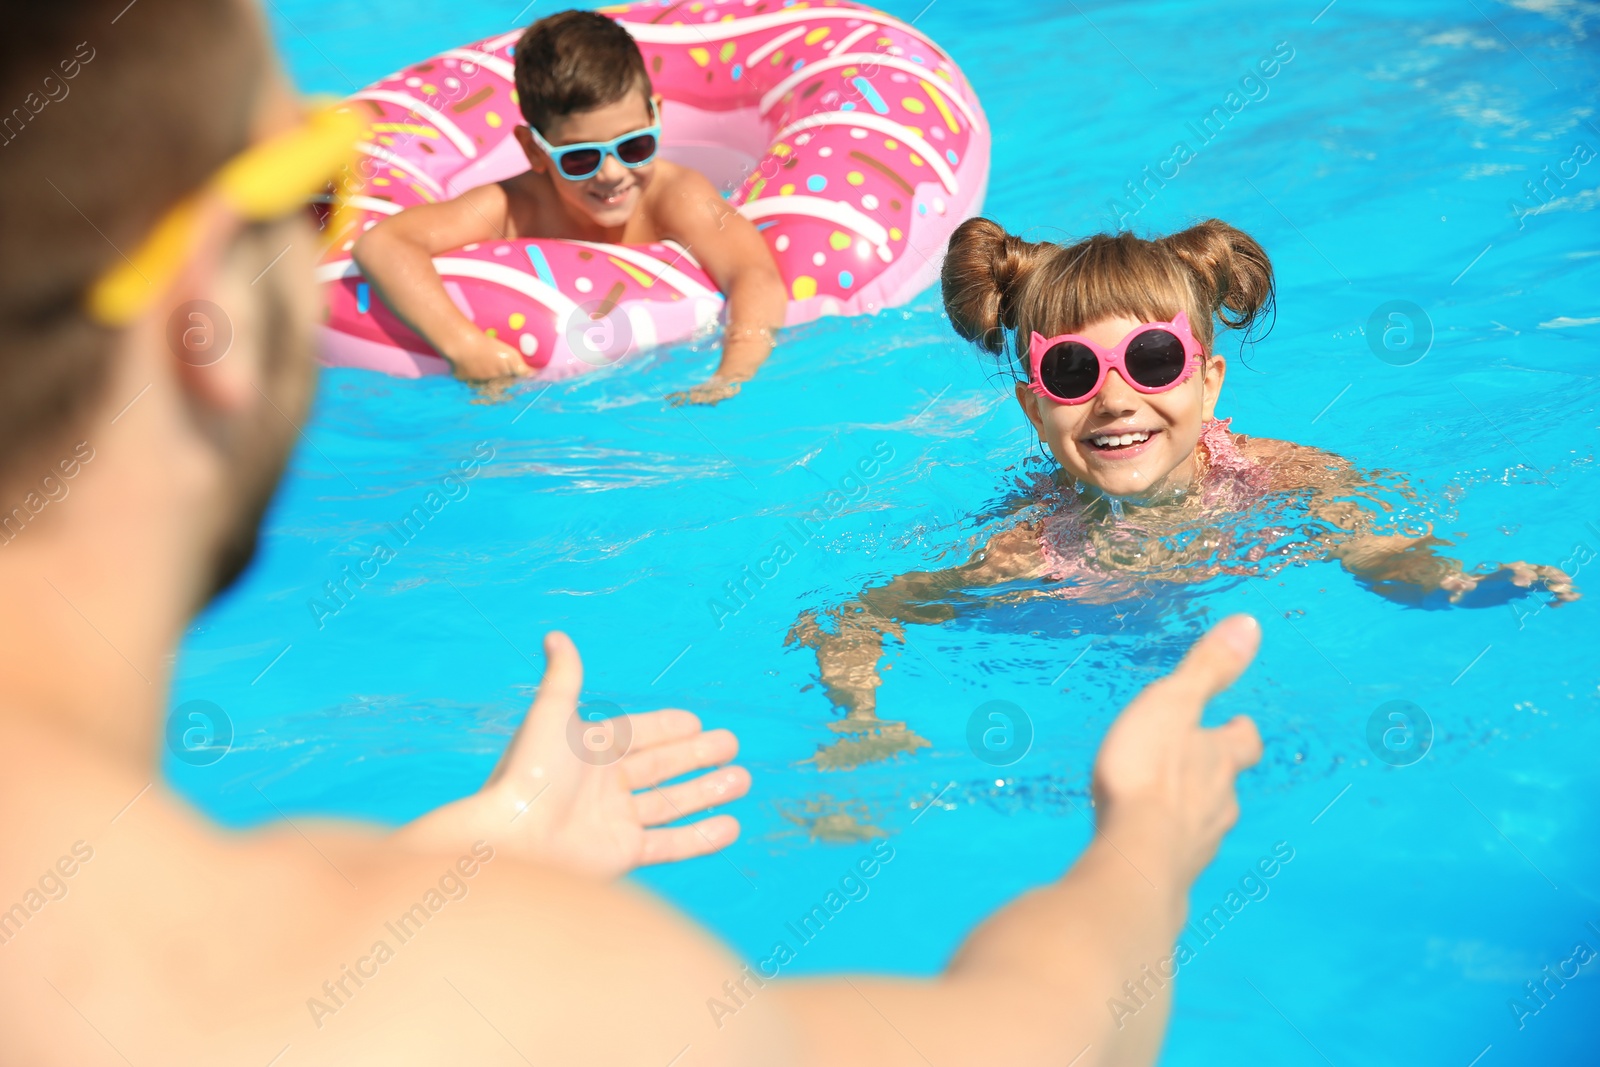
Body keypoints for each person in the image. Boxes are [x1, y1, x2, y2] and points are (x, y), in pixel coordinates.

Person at [1, 2, 1262, 1063]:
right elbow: (1014, 1036)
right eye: (302, 180)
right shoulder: (504, 987)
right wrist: (1146, 837)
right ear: (202, 314)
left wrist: (442, 860)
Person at [789, 217, 1578, 766]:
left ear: (1207, 381)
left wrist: (1461, 585)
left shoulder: (1281, 479)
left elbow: (1381, 551)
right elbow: (854, 616)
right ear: (1033, 407)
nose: (1116, 399)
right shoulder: (1027, 544)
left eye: (1154, 359)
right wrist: (862, 722)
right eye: (1071, 371)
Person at [351, 10, 786, 402]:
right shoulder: (514, 206)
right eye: (580, 157)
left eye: (634, 146)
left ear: (657, 117)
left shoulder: (676, 196)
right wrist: (463, 345)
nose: (612, 173)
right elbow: (384, 244)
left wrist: (730, 376)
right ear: (534, 151)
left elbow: (754, 275)